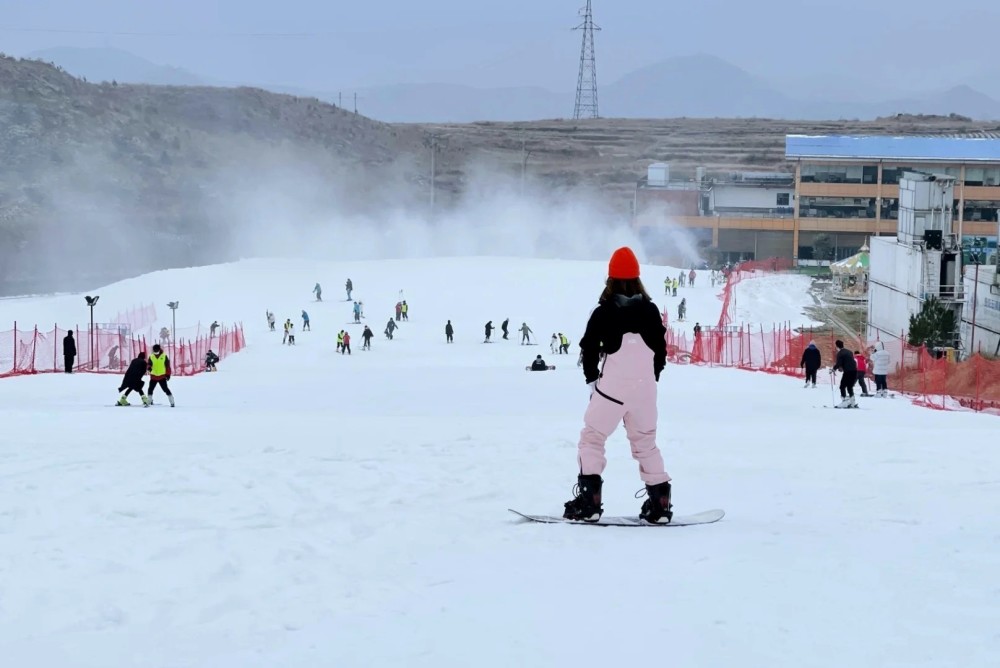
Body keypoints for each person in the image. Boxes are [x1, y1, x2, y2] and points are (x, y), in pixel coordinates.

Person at [563, 246, 672, 524]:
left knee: (593, 437)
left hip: (612, 389)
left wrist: (592, 381)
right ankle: (660, 503)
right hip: (645, 390)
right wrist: (652, 377)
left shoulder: (603, 312)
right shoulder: (650, 310)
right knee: (646, 443)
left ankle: (590, 502)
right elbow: (660, 350)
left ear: (610, 278)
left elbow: (588, 348)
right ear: (638, 277)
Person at [832, 339, 857, 408]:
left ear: (837, 346)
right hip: (854, 371)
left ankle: (844, 401)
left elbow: (839, 363)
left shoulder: (840, 353)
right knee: (849, 387)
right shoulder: (849, 352)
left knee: (842, 386)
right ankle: (852, 402)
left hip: (848, 371)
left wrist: (834, 369)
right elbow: (848, 361)